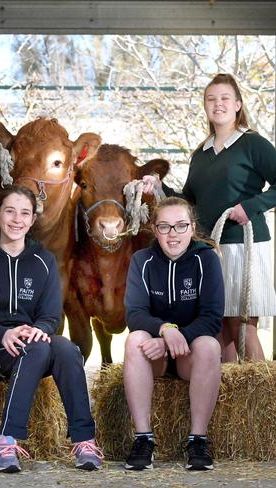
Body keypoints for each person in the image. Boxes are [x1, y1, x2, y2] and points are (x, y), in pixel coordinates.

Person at [0, 184, 103, 473]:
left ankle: (84, 441)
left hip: (31, 345)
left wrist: (39, 328)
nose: (17, 219)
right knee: (37, 349)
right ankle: (5, 443)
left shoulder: (44, 261)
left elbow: (50, 315)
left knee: (65, 348)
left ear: (32, 219)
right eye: (10, 211)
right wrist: (2, 333)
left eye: (25, 213)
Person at [142, 73, 276, 361]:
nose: (218, 104)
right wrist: (159, 187)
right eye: (211, 99)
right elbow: (190, 201)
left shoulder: (253, 144)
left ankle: (263, 403)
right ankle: (232, 403)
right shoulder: (200, 154)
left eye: (225, 98)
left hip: (244, 246)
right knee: (217, 329)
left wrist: (251, 206)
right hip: (209, 249)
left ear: (238, 104)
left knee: (242, 328)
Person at [123, 197, 224, 471]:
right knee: (134, 340)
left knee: (210, 346)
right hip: (155, 356)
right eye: (165, 227)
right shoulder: (141, 261)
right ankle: (143, 439)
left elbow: (212, 318)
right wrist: (165, 330)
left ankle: (198, 441)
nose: (173, 234)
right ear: (155, 230)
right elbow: (135, 314)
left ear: (192, 228)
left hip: (189, 355)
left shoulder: (207, 260)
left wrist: (178, 337)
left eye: (180, 226)